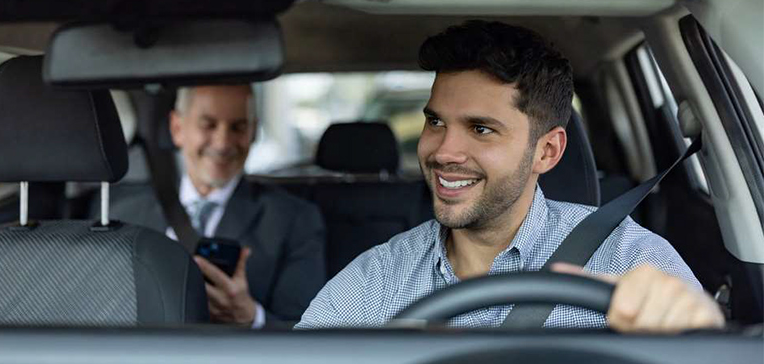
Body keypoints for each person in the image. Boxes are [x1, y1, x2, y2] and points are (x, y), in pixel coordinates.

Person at [296, 21, 724, 332]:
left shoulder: (628, 261)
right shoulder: (378, 279)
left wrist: (699, 333)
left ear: (547, 151)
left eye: (481, 129)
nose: (443, 151)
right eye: (436, 122)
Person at [109, 84, 326, 327]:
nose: (223, 143)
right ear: (177, 128)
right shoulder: (121, 216)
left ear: (253, 132)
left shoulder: (293, 219)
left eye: (239, 127)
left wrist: (252, 318)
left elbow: (306, 333)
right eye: (208, 125)